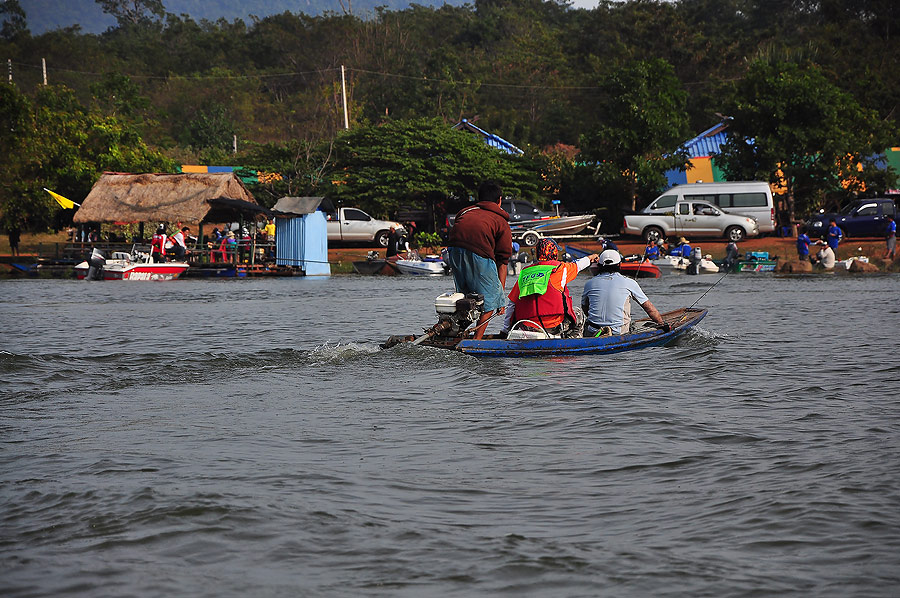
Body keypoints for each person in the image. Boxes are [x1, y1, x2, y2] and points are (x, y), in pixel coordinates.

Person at [447, 180, 513, 339]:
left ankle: (454, 333)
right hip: (478, 253)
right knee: (490, 304)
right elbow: (503, 261)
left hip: (453, 252)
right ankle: (476, 341)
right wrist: (499, 297)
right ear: (499, 201)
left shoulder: (464, 212)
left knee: (466, 301)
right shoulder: (501, 221)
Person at [500, 238, 598, 338]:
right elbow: (578, 265)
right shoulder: (561, 268)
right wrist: (591, 258)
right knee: (578, 313)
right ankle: (571, 342)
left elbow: (511, 305)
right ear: (555, 253)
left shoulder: (525, 273)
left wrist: (505, 330)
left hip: (527, 326)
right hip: (553, 326)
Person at [582, 249, 669, 337]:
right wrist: (661, 324)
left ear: (599, 266)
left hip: (593, 332)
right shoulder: (629, 282)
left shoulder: (589, 283)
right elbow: (649, 308)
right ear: (619, 265)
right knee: (648, 325)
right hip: (618, 332)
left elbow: (585, 307)